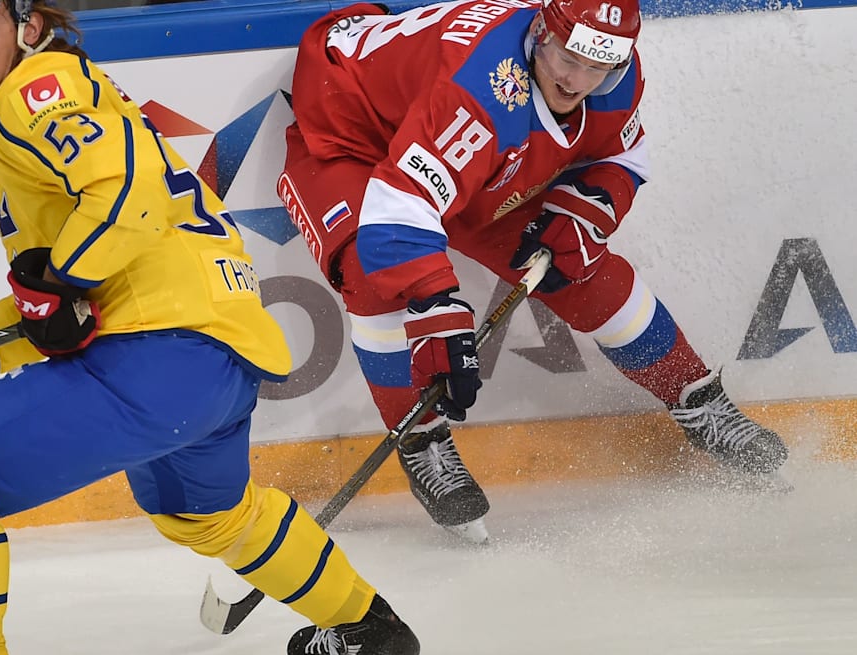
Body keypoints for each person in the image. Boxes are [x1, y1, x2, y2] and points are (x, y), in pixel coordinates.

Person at [0, 1, 437, 655]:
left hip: (158, 354)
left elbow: (126, 198)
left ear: (29, 29)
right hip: (213, 360)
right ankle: (368, 627)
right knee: (207, 514)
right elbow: (62, 299)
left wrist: (59, 282)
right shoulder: (64, 101)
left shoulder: (33, 90)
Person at [278, 0, 789, 543]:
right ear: (542, 30)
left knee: (579, 269)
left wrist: (588, 208)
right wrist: (435, 305)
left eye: (597, 67)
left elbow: (621, 157)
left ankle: (700, 402)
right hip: (352, 130)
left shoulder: (615, 74)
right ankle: (421, 439)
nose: (577, 81)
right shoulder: (479, 90)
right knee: (374, 276)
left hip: (458, 149)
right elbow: (401, 206)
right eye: (568, 59)